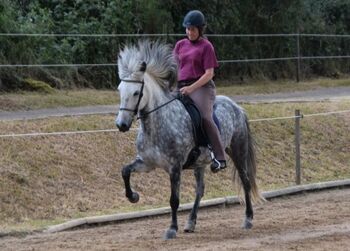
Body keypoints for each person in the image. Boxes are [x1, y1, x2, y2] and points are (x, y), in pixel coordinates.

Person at [174, 10, 226, 173]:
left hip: (202, 87)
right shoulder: (180, 45)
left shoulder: (206, 46)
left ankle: (219, 157)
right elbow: (174, 68)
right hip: (181, 85)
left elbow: (209, 73)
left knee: (204, 116)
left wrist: (191, 88)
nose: (190, 32)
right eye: (187, 29)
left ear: (200, 30)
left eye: (193, 29)